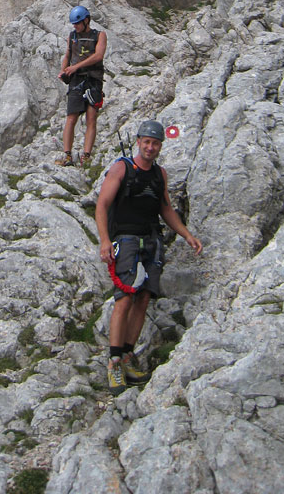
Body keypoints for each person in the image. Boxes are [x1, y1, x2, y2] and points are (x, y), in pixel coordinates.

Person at [95, 120, 203, 393]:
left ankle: (128, 355)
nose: (150, 147)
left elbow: (165, 209)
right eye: (146, 142)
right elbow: (102, 204)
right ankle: (115, 362)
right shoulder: (122, 168)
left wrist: (186, 234)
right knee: (125, 298)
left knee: (143, 298)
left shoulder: (160, 175)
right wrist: (106, 240)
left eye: (155, 143)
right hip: (126, 240)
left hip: (151, 240)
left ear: (159, 146)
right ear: (139, 141)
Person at [55, 5, 106, 167]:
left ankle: (86, 156)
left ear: (86, 20)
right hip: (76, 80)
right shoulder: (72, 36)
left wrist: (76, 67)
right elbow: (68, 55)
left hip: (93, 79)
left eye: (77, 23)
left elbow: (98, 56)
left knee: (91, 117)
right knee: (71, 117)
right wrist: (63, 71)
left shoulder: (99, 35)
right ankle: (67, 155)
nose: (75, 26)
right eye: (73, 24)